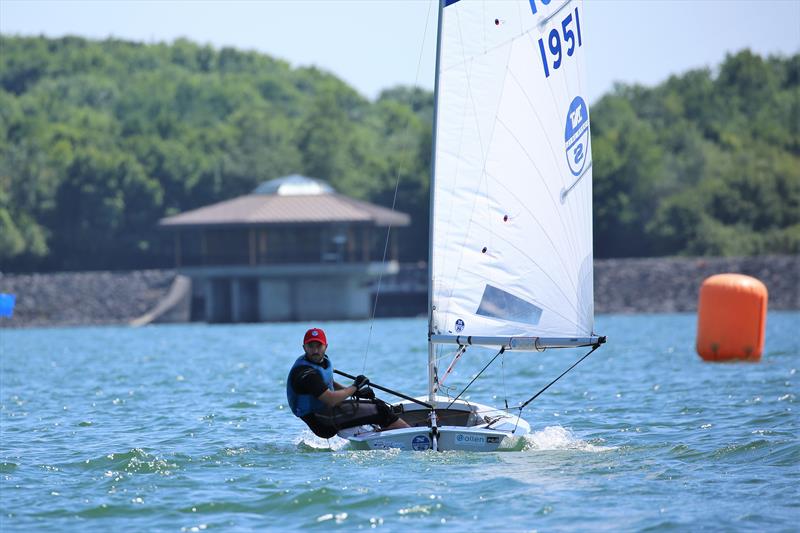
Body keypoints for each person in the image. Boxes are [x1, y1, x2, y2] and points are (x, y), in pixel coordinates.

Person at [286, 327, 411, 438]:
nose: (315, 350)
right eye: (310, 346)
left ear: (326, 346)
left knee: (377, 404)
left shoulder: (321, 361)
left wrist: (357, 392)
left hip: (327, 413)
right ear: (304, 348)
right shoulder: (306, 373)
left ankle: (383, 434)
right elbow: (331, 399)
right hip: (322, 421)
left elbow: (330, 383)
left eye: (319, 346)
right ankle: (409, 434)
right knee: (380, 410)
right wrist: (355, 386)